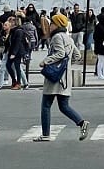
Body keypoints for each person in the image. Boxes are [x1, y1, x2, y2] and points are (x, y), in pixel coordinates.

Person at [33, 11, 89, 143]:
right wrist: (66, 64)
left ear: (57, 24)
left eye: (52, 23)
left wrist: (45, 61)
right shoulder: (68, 37)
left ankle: (45, 134)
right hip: (65, 78)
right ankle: (82, 122)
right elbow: (77, 55)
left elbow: (60, 53)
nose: (50, 25)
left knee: (46, 105)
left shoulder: (57, 37)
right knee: (64, 106)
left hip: (55, 77)